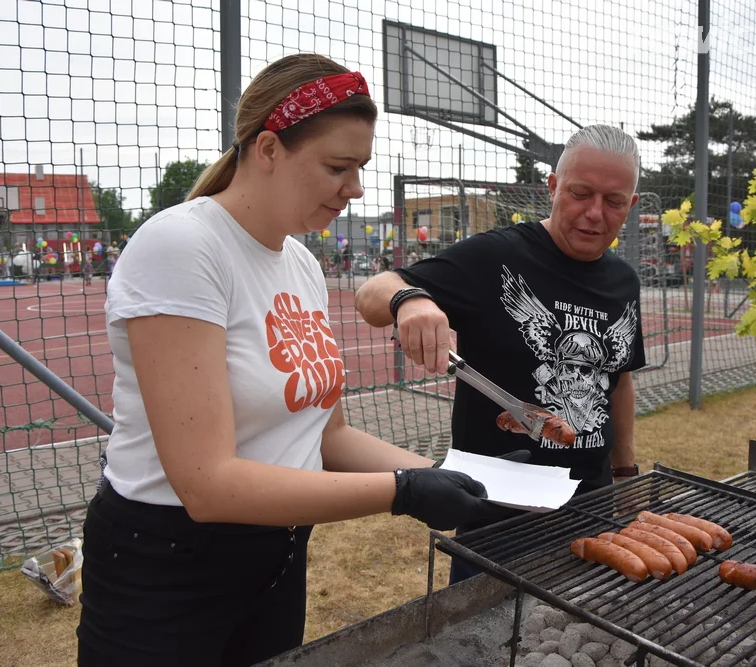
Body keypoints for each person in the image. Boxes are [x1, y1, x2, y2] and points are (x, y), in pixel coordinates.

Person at [75, 53, 523, 667]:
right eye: (338, 166)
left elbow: (328, 435)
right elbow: (207, 485)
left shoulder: (301, 263)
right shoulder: (182, 245)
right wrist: (403, 492)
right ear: (267, 150)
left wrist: (457, 480)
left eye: (361, 167)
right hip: (167, 566)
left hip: (277, 555)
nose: (357, 188)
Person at [355, 124, 647, 584]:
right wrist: (409, 301)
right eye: (580, 193)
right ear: (552, 187)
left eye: (613, 201)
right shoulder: (496, 258)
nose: (594, 214)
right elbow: (372, 291)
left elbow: (618, 379)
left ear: (630, 206)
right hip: (499, 512)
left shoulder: (623, 280)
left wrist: (625, 471)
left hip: (593, 504)